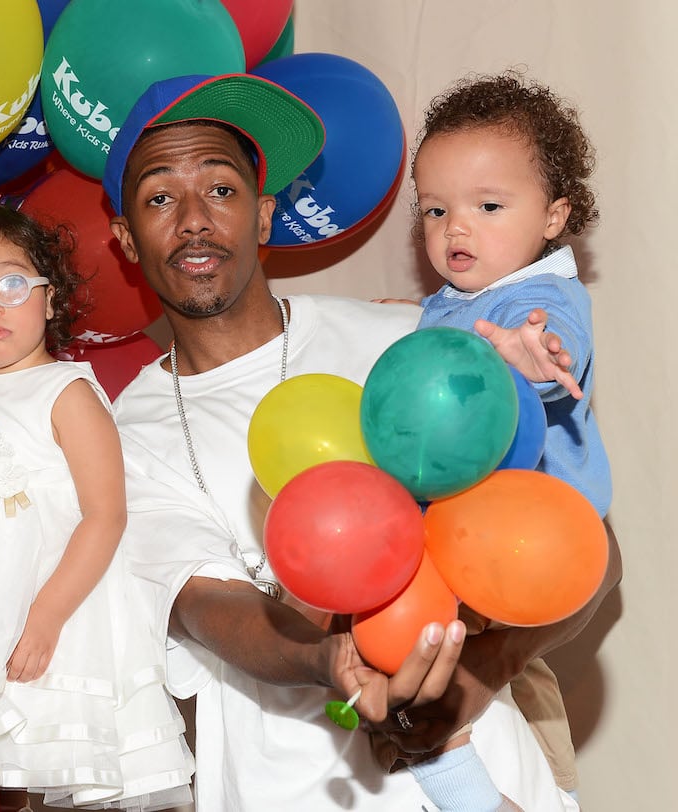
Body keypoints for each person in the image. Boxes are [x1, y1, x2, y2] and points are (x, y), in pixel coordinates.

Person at [101, 72, 621, 811]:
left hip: (493, 782)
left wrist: (475, 679)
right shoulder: (120, 434)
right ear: (124, 239)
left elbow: (587, 551)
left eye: (221, 188)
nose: (193, 219)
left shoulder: (415, 343)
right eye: (158, 197)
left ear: (264, 214)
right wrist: (331, 659)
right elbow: (207, 610)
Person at [0, 198, 194, 811]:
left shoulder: (66, 391)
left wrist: (48, 615)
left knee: (55, 754)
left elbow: (106, 515)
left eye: (10, 283)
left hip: (54, 613)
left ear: (49, 297)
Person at [391, 70, 612, 810]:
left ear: (554, 216)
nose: (456, 228)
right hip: (470, 546)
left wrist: (533, 359)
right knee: (443, 674)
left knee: (498, 691)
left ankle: (512, 792)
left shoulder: (540, 300)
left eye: (488, 206)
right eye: (434, 209)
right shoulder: (457, 303)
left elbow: (560, 350)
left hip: (532, 545)